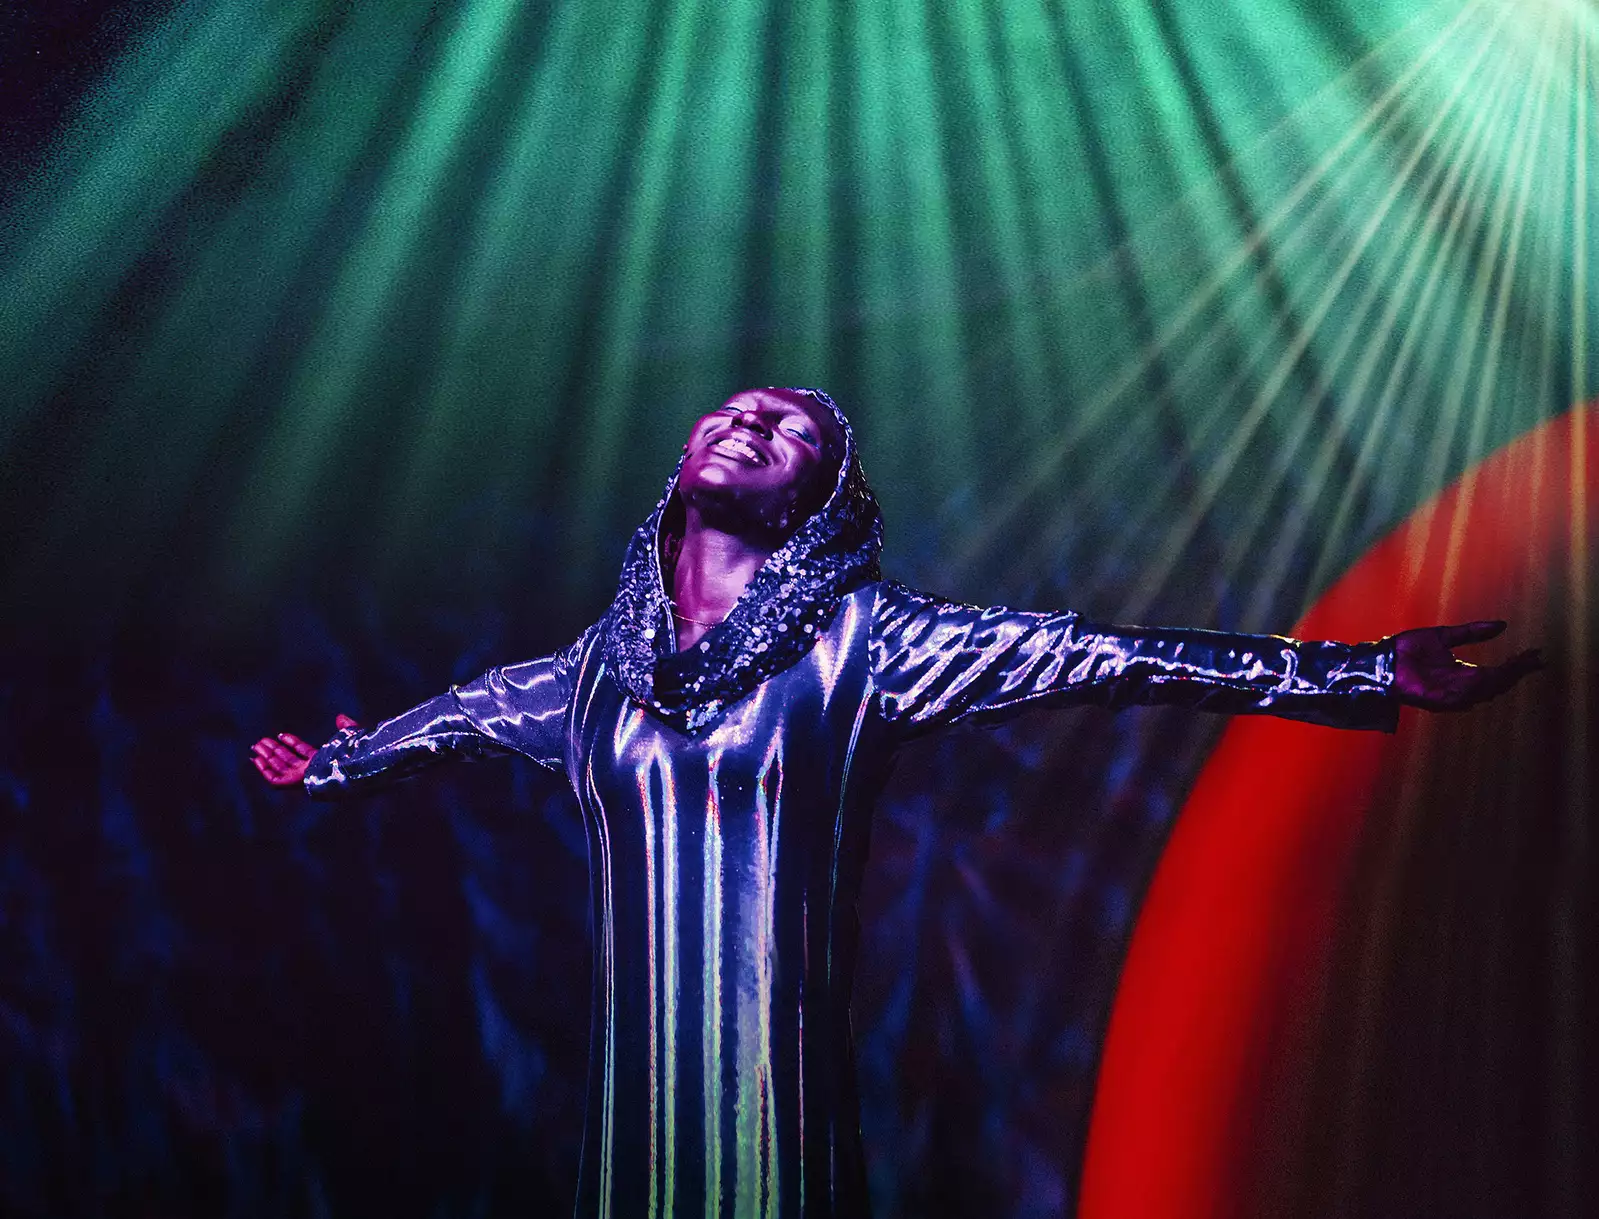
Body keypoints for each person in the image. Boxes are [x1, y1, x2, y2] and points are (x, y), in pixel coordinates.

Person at [251, 387, 1539, 1218]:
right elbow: (455, 717)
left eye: (792, 432)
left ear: (816, 500)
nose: (749, 424)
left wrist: (1358, 672)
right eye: (732, 410)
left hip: (781, 1118)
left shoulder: (867, 645)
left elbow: (1104, 656)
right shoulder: (588, 679)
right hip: (630, 1126)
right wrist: (337, 765)